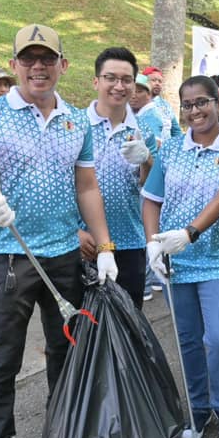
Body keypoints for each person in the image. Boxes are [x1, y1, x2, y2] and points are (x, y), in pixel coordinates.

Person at [0, 24, 118, 438]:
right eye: (27, 59)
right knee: (1, 358)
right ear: (14, 67)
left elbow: (87, 186)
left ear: (62, 66)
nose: (38, 67)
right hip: (11, 258)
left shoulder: (77, 121)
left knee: (65, 353)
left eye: (47, 58)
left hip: (66, 257)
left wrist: (104, 246)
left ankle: (63, 432)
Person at [141, 75, 219, 438]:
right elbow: (151, 198)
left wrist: (189, 233)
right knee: (188, 339)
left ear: (218, 104)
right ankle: (198, 408)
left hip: (216, 258)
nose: (195, 111)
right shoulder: (172, 149)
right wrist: (152, 244)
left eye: (202, 102)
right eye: (187, 105)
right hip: (175, 262)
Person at [78, 47, 157, 310]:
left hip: (130, 242)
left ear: (134, 85)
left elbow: (152, 186)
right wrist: (74, 232)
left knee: (129, 327)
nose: (118, 86)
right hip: (84, 243)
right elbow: (62, 185)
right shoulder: (75, 125)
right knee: (82, 330)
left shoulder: (143, 128)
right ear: (96, 81)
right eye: (110, 78)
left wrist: (146, 159)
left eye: (126, 80)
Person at [129, 73, 168, 301]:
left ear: (148, 93)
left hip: (150, 181)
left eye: (139, 90)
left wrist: (146, 156)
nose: (133, 94)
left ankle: (147, 283)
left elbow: (160, 143)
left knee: (146, 228)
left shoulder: (148, 117)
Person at [141, 66, 182, 139]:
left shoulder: (165, 105)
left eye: (160, 81)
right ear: (144, 82)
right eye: (153, 80)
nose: (157, 83)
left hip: (166, 148)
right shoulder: (135, 103)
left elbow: (176, 131)